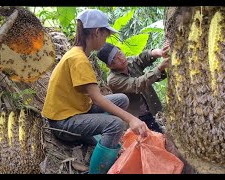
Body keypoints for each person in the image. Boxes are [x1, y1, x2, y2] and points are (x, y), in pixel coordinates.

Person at [41, 9, 147, 174]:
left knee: (121, 99)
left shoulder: (77, 53)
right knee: (116, 124)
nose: (106, 40)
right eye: (105, 35)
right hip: (62, 123)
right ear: (97, 32)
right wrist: (131, 119)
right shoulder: (79, 59)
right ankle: (96, 171)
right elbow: (97, 99)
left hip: (74, 111)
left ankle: (98, 137)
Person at [97, 42, 170, 133]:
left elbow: (143, 57)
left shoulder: (130, 62)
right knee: (154, 142)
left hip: (152, 109)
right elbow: (137, 84)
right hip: (138, 118)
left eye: (119, 53)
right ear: (110, 66)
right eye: (115, 59)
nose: (121, 58)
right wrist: (160, 68)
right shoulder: (113, 80)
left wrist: (159, 52)